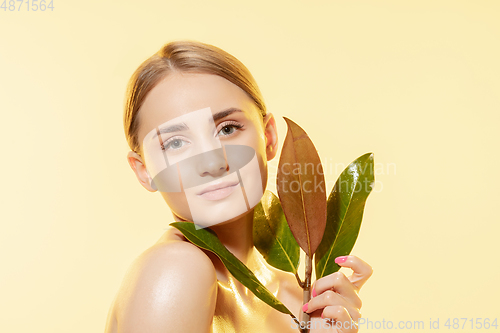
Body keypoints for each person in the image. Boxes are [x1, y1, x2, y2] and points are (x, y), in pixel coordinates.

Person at [104, 40, 373, 333]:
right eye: (176, 143)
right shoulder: (176, 269)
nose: (213, 163)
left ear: (268, 137)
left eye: (228, 128)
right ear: (144, 171)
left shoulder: (297, 298)